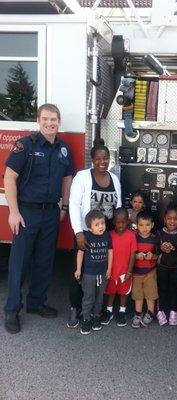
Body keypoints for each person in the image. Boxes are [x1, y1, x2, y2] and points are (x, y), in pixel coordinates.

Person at [4, 103, 74, 334]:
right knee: (20, 262)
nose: (49, 123)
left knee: (45, 260)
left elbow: (67, 179)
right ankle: (12, 310)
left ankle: (35, 303)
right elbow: (9, 178)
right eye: (45, 119)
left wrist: (63, 206)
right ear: (38, 121)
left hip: (50, 213)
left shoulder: (63, 149)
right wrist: (13, 212)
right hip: (27, 212)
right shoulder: (26, 145)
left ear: (59, 121)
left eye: (53, 119)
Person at [68, 138, 122, 329]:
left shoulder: (114, 179)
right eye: (98, 158)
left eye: (105, 158)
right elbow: (74, 205)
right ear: (92, 159)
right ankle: (75, 308)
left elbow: (118, 208)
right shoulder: (82, 177)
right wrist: (78, 232)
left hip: (104, 236)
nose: (102, 162)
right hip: (85, 235)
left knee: (99, 275)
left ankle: (95, 312)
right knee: (80, 273)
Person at [74, 210, 113, 335]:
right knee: (88, 297)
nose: (101, 226)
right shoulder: (87, 236)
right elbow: (80, 252)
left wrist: (109, 268)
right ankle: (86, 319)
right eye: (97, 224)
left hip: (102, 273)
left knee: (100, 297)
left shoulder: (107, 235)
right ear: (89, 227)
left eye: (102, 223)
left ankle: (96, 317)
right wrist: (78, 269)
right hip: (89, 274)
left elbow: (110, 252)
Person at [100, 208, 137, 327]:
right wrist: (106, 269)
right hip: (111, 271)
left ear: (128, 221)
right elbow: (106, 253)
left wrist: (129, 271)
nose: (120, 225)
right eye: (118, 222)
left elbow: (132, 255)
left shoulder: (131, 236)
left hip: (124, 271)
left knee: (123, 293)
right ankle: (109, 311)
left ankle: (122, 311)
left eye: (123, 222)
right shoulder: (109, 235)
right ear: (114, 221)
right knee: (110, 291)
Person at [156, 204, 177, 326]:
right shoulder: (160, 232)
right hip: (162, 267)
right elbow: (156, 249)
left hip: (176, 267)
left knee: (174, 289)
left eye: (175, 219)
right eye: (169, 218)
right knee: (162, 288)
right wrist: (162, 248)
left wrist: (174, 248)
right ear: (165, 219)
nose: (172, 221)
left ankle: (174, 311)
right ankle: (160, 310)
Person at [131, 211, 158, 329]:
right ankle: (138, 314)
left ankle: (150, 312)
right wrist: (136, 256)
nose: (144, 228)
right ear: (137, 225)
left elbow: (159, 254)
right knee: (138, 294)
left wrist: (153, 256)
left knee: (150, 294)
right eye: (141, 225)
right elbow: (130, 253)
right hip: (136, 272)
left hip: (150, 272)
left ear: (152, 225)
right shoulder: (134, 238)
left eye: (147, 225)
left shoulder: (155, 238)